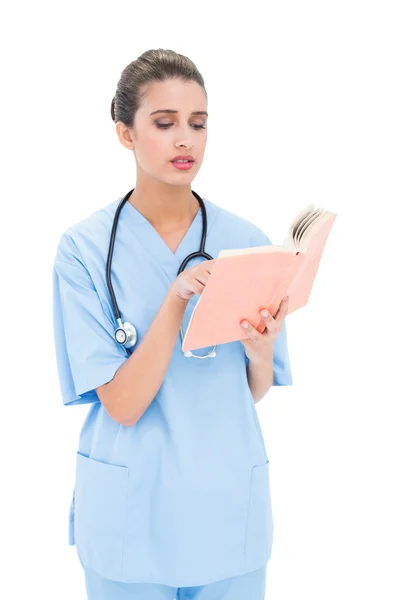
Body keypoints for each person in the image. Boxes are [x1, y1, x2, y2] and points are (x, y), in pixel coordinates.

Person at [52, 48, 293, 600]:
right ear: (125, 133)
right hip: (131, 516)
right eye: (164, 123)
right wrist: (173, 302)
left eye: (198, 123)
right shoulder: (84, 251)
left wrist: (261, 350)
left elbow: (249, 390)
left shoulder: (247, 242)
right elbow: (123, 404)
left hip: (228, 506)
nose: (185, 139)